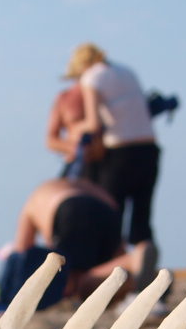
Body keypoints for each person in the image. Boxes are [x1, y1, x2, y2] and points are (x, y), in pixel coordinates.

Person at [0, 177, 156, 312]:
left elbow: (23, 249)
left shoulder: (38, 195)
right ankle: (134, 263)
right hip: (108, 211)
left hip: (69, 210)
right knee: (111, 266)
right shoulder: (86, 185)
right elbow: (116, 243)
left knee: (75, 282)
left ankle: (132, 264)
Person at [64, 42, 160, 260]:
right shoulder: (127, 71)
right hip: (149, 149)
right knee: (142, 219)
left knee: (111, 217)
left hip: (120, 153)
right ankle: (148, 276)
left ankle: (119, 275)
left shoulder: (92, 78)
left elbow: (93, 123)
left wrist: (72, 128)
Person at [45, 82, 102, 180]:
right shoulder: (65, 97)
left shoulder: (107, 95)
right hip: (75, 163)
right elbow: (51, 139)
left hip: (104, 162)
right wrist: (76, 149)